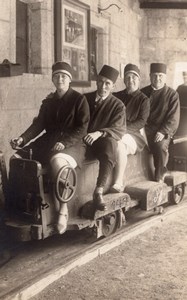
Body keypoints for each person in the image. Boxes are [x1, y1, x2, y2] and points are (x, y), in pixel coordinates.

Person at [10, 61, 90, 234]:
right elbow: (38, 125)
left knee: (58, 162)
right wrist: (22, 139)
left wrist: (65, 142)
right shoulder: (48, 102)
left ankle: (63, 209)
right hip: (49, 141)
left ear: (69, 80)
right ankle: (17, 203)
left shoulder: (79, 99)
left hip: (73, 144)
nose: (60, 79)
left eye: (63, 76)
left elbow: (82, 128)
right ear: (53, 79)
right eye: (56, 76)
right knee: (17, 159)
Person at [83, 65, 126, 211]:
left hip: (101, 143)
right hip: (82, 140)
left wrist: (99, 133)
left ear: (113, 86)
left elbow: (119, 129)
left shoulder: (118, 105)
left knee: (111, 144)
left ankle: (99, 191)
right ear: (96, 81)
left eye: (108, 83)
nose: (103, 86)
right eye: (101, 81)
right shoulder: (85, 99)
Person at [111, 63, 150, 192]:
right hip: (115, 131)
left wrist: (121, 130)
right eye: (128, 77)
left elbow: (141, 122)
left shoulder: (143, 100)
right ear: (124, 80)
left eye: (134, 77)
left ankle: (118, 182)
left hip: (134, 135)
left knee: (119, 144)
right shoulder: (116, 96)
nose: (130, 80)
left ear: (139, 80)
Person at [141, 63, 180, 182]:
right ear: (150, 76)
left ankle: (159, 176)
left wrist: (163, 131)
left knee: (160, 146)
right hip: (143, 130)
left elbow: (173, 118)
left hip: (162, 131)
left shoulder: (172, 94)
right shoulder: (142, 92)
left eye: (160, 76)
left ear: (165, 77)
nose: (157, 79)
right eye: (155, 75)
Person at [176, 71, 187, 135]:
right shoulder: (180, 87)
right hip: (180, 110)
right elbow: (176, 98)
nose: (185, 79)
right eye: (184, 77)